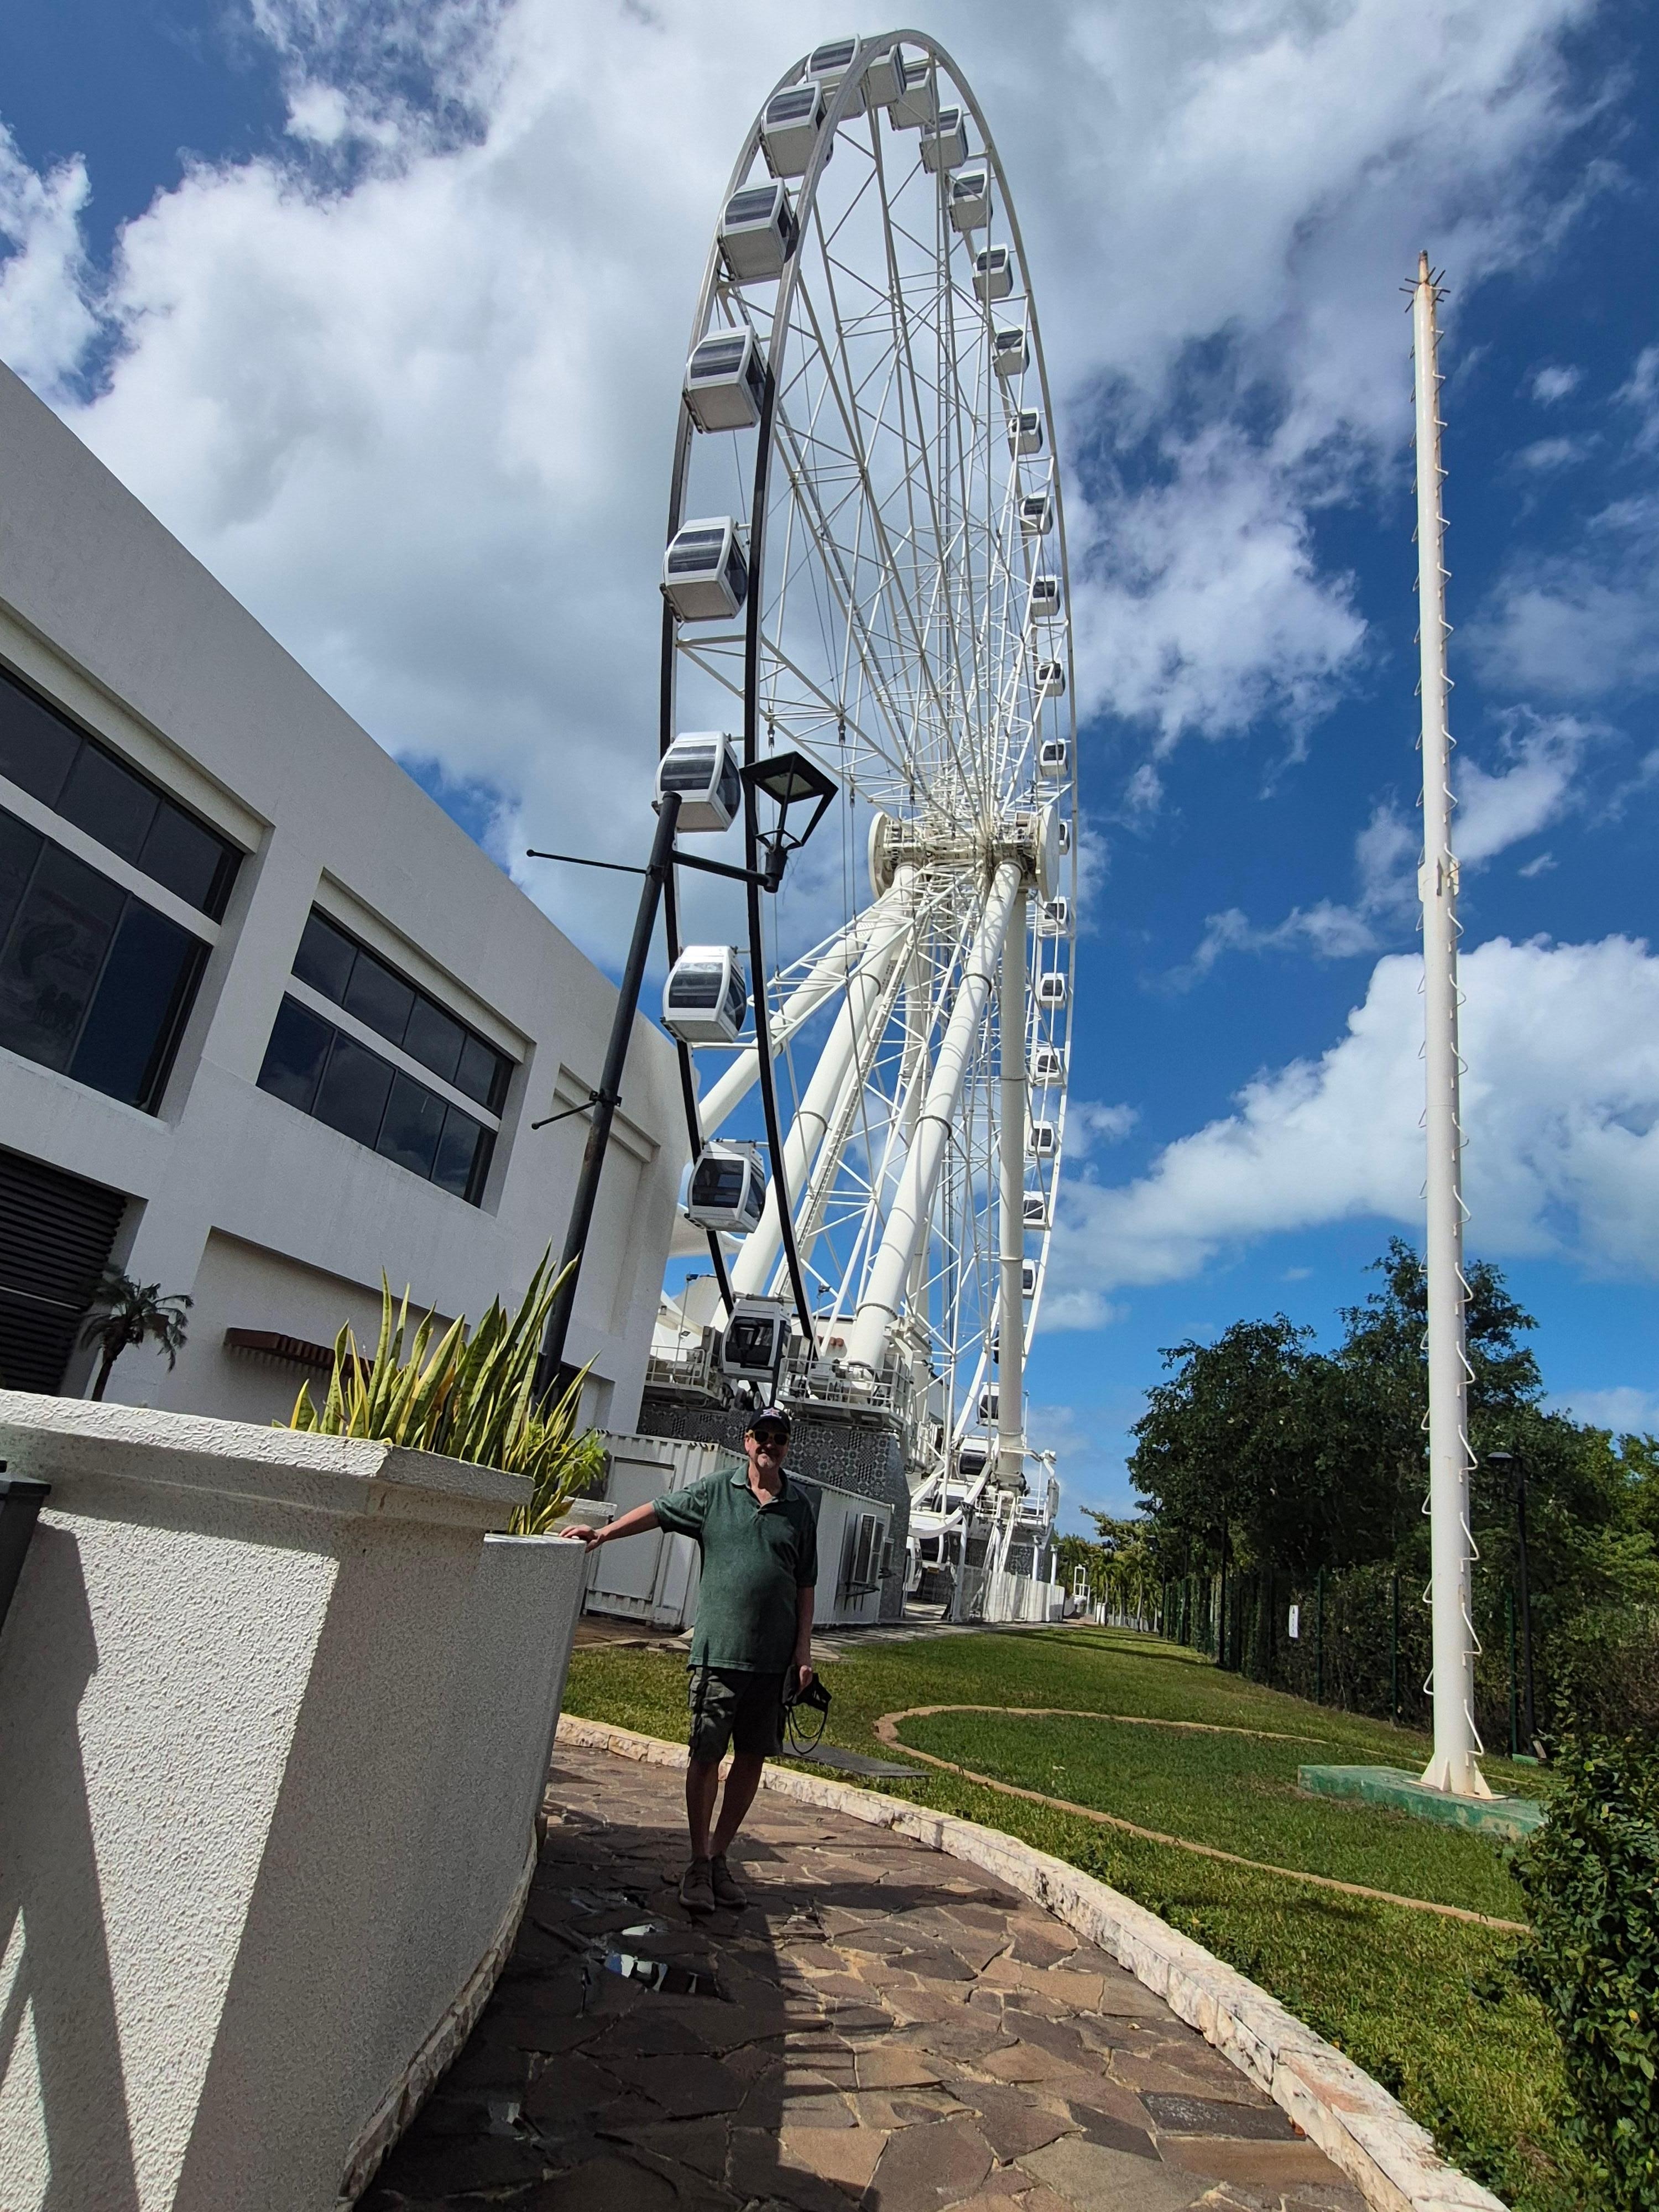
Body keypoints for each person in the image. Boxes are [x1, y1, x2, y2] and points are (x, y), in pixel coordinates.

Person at [561, 1406, 817, 1915]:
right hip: (719, 1655)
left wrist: (802, 1653)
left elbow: (805, 1584)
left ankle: (720, 1856)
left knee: (751, 1760)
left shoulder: (799, 1508)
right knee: (705, 1755)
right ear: (747, 1441)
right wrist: (605, 1534)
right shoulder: (715, 1494)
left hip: (772, 1665)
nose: (770, 1445)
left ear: (787, 1446)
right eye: (762, 1436)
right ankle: (698, 1862)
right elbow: (658, 1510)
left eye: (779, 1439)